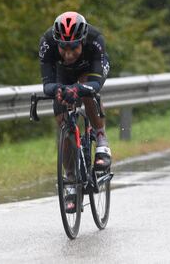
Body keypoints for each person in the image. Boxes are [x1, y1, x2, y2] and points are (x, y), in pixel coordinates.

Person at [39, 11, 111, 211]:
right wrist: (59, 91)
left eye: (73, 48)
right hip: (63, 74)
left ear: (83, 41)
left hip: (91, 69)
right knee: (61, 113)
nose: (68, 54)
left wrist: (78, 89)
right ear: (57, 43)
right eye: (63, 48)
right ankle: (71, 180)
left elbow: (96, 83)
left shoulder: (95, 40)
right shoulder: (47, 43)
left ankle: (101, 138)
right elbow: (47, 85)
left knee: (87, 90)